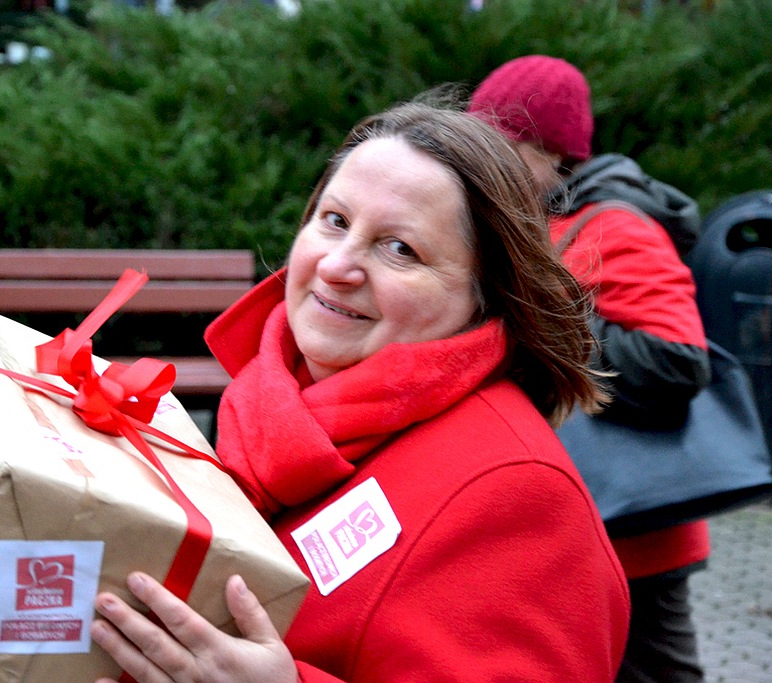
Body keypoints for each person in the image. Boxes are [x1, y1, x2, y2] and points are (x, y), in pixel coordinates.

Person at [90, 100, 630, 682]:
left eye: (401, 249)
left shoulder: (520, 494)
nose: (338, 265)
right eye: (335, 220)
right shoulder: (271, 407)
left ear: (486, 297)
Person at [468, 55, 712, 683]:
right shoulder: (536, 225)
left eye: (498, 146)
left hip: (635, 537)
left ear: (549, 153)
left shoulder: (616, 226)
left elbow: (678, 362)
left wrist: (539, 316)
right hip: (573, 530)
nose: (477, 166)